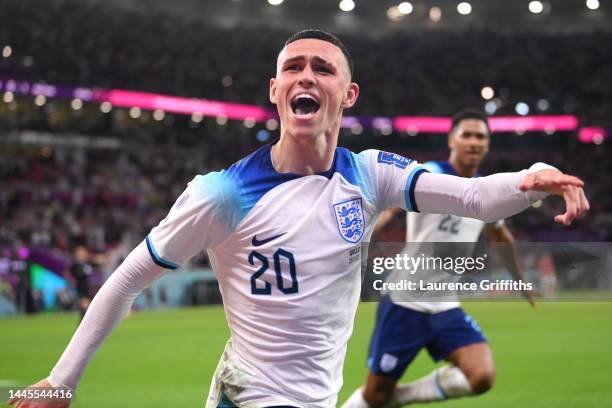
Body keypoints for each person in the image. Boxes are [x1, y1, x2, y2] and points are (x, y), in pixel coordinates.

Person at [9, 29, 589, 408]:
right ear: (275, 90)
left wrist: (531, 179)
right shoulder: (222, 194)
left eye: (323, 68)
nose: (306, 75)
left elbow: (474, 199)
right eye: (293, 67)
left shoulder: (368, 175)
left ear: (348, 93)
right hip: (251, 397)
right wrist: (61, 382)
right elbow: (129, 277)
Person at [342, 108, 538, 408]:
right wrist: (360, 236)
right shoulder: (429, 172)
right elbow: (389, 207)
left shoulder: (485, 193)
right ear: (452, 140)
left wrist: (521, 281)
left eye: (481, 137)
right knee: (375, 396)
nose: (474, 142)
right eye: (467, 135)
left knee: (482, 376)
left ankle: (401, 397)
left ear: (488, 144)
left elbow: (501, 236)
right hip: (404, 302)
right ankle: (383, 398)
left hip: (445, 304)